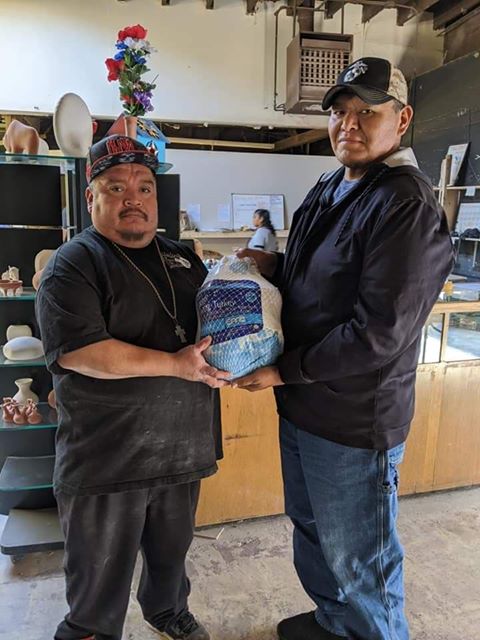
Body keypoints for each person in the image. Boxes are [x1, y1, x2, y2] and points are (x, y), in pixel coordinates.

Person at [234, 57, 454, 640]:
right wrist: (273, 265)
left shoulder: (406, 204)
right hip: (306, 405)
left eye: (366, 112)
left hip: (354, 420)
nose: (348, 124)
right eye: (338, 111)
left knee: (361, 558)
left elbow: (380, 332)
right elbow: (322, 273)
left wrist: (283, 372)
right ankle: (335, 624)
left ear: (401, 119)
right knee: (312, 530)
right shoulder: (337, 182)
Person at [35, 135, 229, 640]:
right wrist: (174, 365)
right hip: (108, 457)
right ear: (91, 197)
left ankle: (166, 612)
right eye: (116, 188)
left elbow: (214, 329)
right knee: (97, 578)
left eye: (144, 187)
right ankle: (89, 632)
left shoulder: (182, 258)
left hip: (182, 447)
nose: (133, 199)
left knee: (171, 555)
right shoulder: (74, 264)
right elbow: (81, 352)